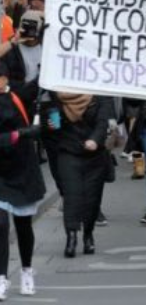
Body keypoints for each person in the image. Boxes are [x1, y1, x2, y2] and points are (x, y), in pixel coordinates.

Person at [48, 92, 114, 258]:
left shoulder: (100, 95)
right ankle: (71, 237)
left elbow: (102, 122)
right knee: (72, 195)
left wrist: (95, 139)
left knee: (92, 197)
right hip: (68, 152)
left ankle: (88, 235)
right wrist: (52, 124)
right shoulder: (58, 94)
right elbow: (53, 123)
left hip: (95, 155)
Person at [0, 61, 44, 298]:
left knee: (23, 225)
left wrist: (49, 58)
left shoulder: (17, 94)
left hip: (22, 168)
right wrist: (20, 134)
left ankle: (27, 270)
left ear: (5, 79)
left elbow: (36, 86)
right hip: (1, 172)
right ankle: (1, 277)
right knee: (0, 225)